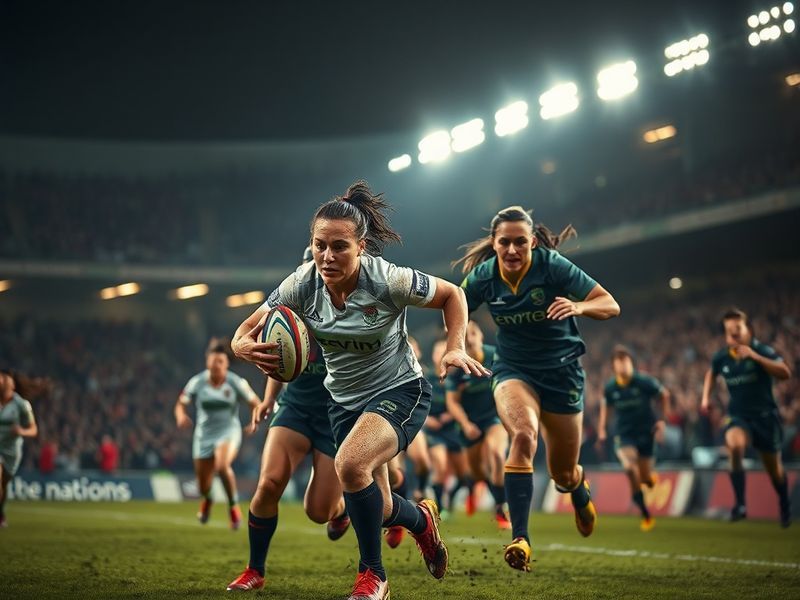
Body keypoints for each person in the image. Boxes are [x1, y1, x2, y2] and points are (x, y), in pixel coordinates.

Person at [231, 180, 490, 600]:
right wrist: (241, 345)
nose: (327, 256)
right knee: (380, 507)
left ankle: (374, 577)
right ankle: (421, 521)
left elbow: (453, 294)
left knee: (350, 466)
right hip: (344, 403)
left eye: (339, 247)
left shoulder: (387, 280)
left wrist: (454, 347)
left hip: (399, 389)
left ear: (361, 247)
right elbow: (245, 330)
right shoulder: (302, 283)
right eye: (319, 245)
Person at [454, 205, 619, 572]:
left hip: (562, 375)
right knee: (524, 435)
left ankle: (577, 489)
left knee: (562, 472)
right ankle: (521, 538)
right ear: (494, 244)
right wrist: (454, 344)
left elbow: (610, 304)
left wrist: (577, 306)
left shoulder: (552, 265)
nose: (512, 251)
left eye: (520, 243)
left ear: (532, 242)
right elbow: (455, 304)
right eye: (504, 243)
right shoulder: (484, 276)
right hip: (514, 369)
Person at [227, 249, 350, 592]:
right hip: (295, 408)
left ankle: (340, 509)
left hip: (335, 416)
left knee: (317, 511)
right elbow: (280, 360)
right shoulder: (285, 307)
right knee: (269, 483)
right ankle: (255, 569)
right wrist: (269, 400)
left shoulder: (349, 310)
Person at [701, 307, 792, 527]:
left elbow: (785, 373)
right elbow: (711, 373)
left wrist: (756, 357)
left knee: (774, 470)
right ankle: (740, 504)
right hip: (738, 416)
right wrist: (705, 398)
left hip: (765, 417)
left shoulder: (761, 350)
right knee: (734, 445)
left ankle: (783, 502)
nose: (734, 335)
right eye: (729, 331)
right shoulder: (722, 357)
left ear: (748, 329)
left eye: (738, 329)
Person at [175, 338, 260, 530]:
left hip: (228, 431)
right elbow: (181, 403)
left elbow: (255, 402)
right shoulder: (197, 382)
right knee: (203, 485)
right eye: (213, 362)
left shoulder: (236, 382)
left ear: (226, 363)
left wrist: (255, 420)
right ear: (207, 362)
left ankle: (233, 507)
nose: (216, 366)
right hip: (203, 435)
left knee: (222, 466)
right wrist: (181, 416)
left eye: (220, 362)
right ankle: (208, 499)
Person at [597, 345, 670, 531]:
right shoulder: (611, 388)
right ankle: (645, 513)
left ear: (632, 364)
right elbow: (606, 407)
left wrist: (662, 421)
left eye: (626, 361)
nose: (623, 366)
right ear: (614, 366)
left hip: (646, 433)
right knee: (630, 468)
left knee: (644, 478)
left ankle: (647, 478)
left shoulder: (644, 382)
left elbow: (664, 395)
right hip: (624, 434)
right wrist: (602, 430)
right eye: (619, 362)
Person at [446, 320, 510, 529]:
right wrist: (465, 424)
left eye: (473, 332)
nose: (469, 337)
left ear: (481, 335)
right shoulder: (457, 366)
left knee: (496, 454)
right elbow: (452, 402)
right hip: (470, 424)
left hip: (494, 418)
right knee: (477, 473)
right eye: (465, 334)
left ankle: (501, 506)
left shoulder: (496, 356)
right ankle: (473, 487)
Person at [425, 339, 472, 518]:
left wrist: (451, 414)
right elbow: (417, 404)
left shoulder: (457, 379)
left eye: (444, 351)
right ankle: (439, 508)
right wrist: (427, 420)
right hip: (433, 431)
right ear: (433, 355)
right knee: (440, 467)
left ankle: (451, 496)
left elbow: (463, 404)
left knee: (464, 477)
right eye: (438, 352)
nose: (441, 355)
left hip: (452, 430)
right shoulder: (426, 378)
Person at [0, 370, 43, 527]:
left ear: (12, 383)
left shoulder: (21, 405)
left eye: (4, 377)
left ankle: (1, 513)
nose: (1, 380)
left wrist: (21, 431)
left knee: (3, 485)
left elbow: (34, 429)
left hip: (12, 450)